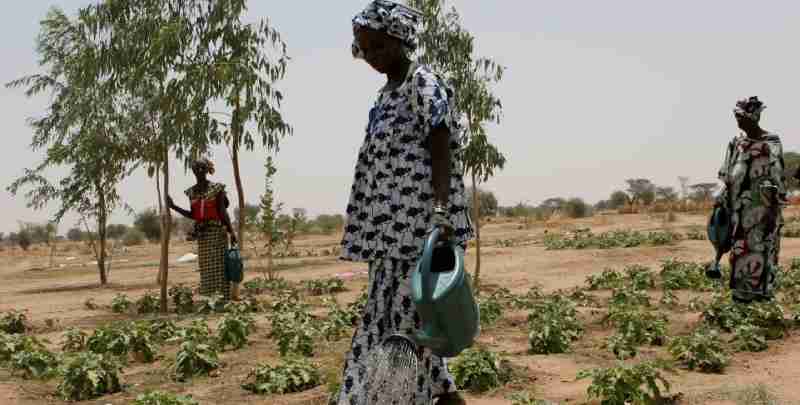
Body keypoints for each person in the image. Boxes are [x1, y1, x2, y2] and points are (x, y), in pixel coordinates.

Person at [336, 1, 474, 404]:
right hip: (385, 238)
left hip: (417, 232)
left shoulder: (422, 83)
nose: (372, 58)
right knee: (403, 327)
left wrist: (440, 211)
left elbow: (440, 142)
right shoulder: (383, 96)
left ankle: (364, 397)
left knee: (397, 329)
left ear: (399, 39)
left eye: (378, 47)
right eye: (365, 50)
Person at [718, 96, 786, 303]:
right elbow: (728, 176)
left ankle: (763, 295)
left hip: (765, 210)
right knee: (740, 249)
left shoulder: (772, 141)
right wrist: (722, 201)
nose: (739, 122)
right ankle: (741, 296)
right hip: (739, 210)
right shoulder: (736, 143)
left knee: (764, 248)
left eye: (742, 118)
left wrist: (774, 199)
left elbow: (778, 173)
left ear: (755, 118)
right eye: (737, 118)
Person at [167, 158, 239, 301]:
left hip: (217, 232)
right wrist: (173, 206)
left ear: (207, 170)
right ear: (193, 171)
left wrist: (231, 232)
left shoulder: (216, 188)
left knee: (219, 266)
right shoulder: (192, 192)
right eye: (196, 169)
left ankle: (223, 297)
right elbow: (193, 215)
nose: (199, 171)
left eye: (202, 168)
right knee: (206, 267)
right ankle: (211, 298)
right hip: (203, 235)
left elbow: (222, 212)